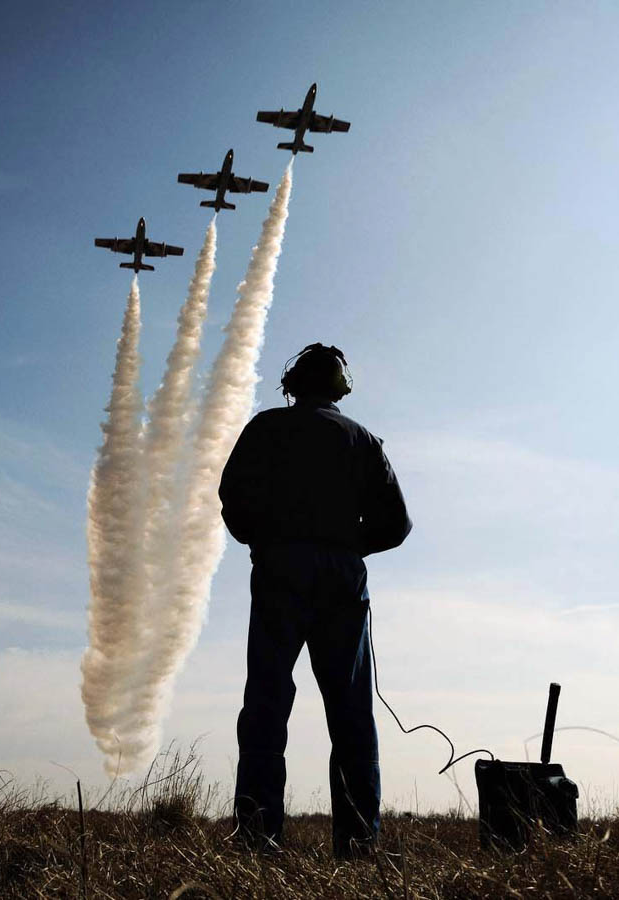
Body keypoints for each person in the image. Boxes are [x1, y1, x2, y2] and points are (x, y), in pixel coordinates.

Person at [219, 343, 412, 858]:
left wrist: (269, 542)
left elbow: (233, 501)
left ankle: (257, 843)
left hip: (280, 569)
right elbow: (397, 524)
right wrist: (347, 546)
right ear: (338, 384)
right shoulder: (363, 440)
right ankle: (358, 848)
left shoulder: (265, 429)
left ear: (294, 383)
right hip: (341, 578)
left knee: (265, 704)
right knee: (351, 713)